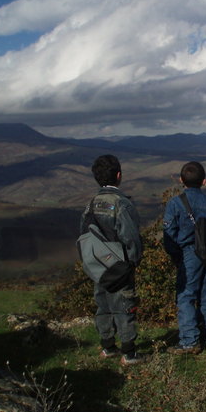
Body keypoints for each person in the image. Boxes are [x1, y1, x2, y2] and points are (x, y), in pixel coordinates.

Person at [80, 155, 144, 366]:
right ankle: (129, 353)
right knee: (124, 305)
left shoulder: (91, 205)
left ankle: (108, 347)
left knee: (103, 305)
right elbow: (131, 238)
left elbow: (85, 235)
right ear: (119, 176)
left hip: (98, 267)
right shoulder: (121, 204)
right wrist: (133, 263)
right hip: (120, 266)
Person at [163, 161, 206, 354]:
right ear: (204, 181)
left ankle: (189, 341)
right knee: (205, 292)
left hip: (189, 252)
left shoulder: (175, 203)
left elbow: (169, 234)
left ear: (181, 180)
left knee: (186, 295)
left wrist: (176, 256)